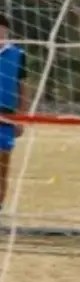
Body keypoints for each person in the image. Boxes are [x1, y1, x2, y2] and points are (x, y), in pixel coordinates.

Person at [0, 15, 26, 213]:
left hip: (7, 117)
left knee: (2, 166)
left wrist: (22, 118)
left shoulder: (18, 54)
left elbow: (23, 87)